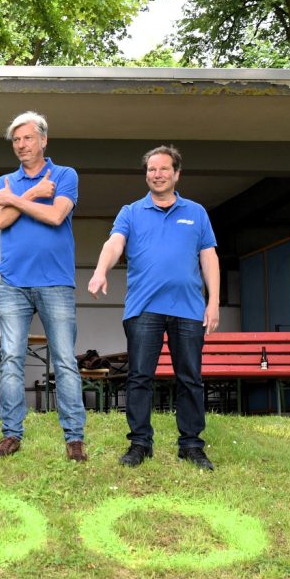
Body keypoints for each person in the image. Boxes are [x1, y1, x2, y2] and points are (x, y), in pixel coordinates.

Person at [88, 145, 219, 470]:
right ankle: (139, 444)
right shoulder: (131, 212)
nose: (157, 175)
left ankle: (191, 445)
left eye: (163, 169)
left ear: (176, 174)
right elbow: (114, 243)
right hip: (144, 309)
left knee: (190, 378)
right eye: (151, 169)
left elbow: (209, 257)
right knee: (139, 377)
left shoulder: (196, 212)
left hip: (188, 309)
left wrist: (214, 302)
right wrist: (101, 270)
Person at [0, 111, 87, 461]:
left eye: (28, 138)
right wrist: (32, 194)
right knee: (11, 359)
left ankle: (74, 438)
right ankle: (11, 434)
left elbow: (56, 215)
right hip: (13, 282)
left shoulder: (64, 175)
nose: (21, 145)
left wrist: (15, 200)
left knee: (64, 360)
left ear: (43, 140)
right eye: (16, 140)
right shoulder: (5, 181)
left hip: (55, 282)